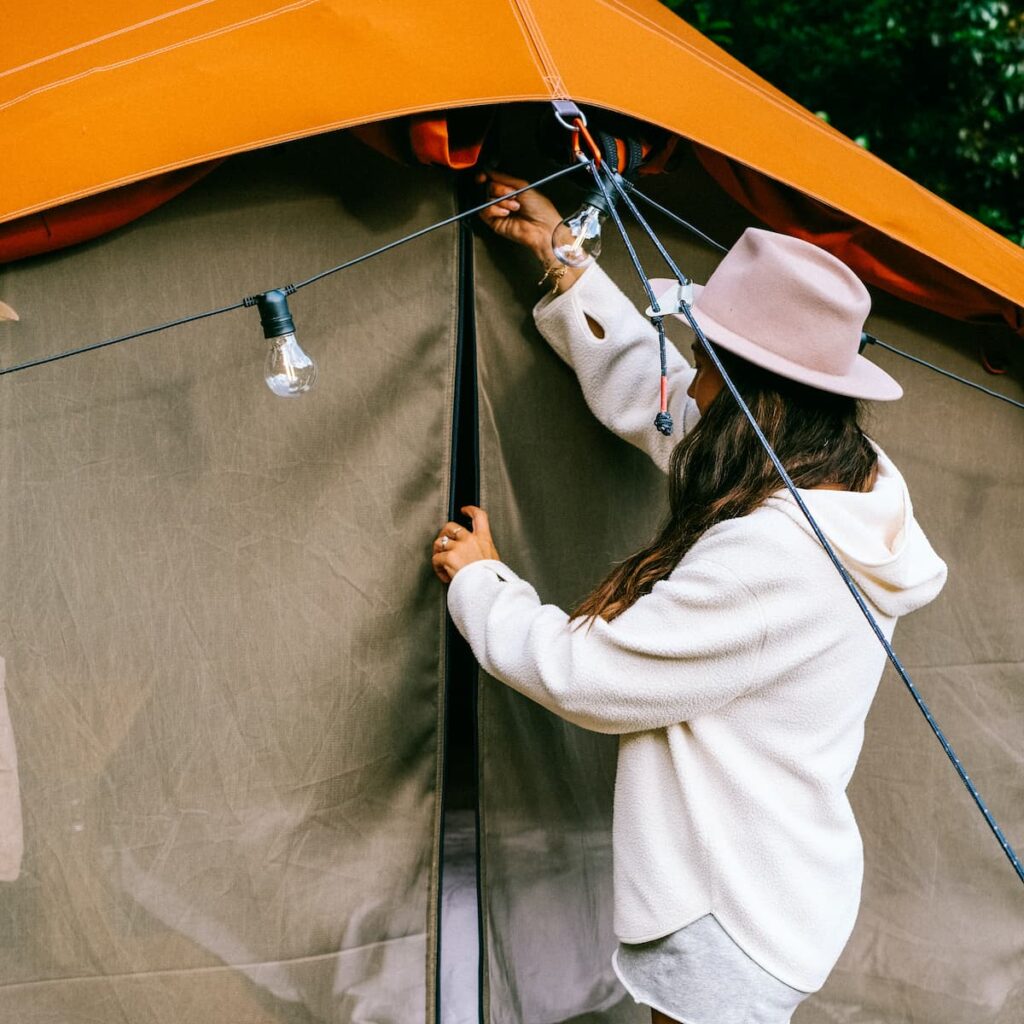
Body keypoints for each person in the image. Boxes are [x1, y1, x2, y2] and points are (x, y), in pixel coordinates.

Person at [430, 170, 947, 1024]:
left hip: (727, 910)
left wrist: (483, 583)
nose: (694, 379)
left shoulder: (776, 554)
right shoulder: (845, 480)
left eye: (708, 362)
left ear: (757, 397)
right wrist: (565, 260)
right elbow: (659, 395)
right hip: (774, 885)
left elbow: (589, 676)